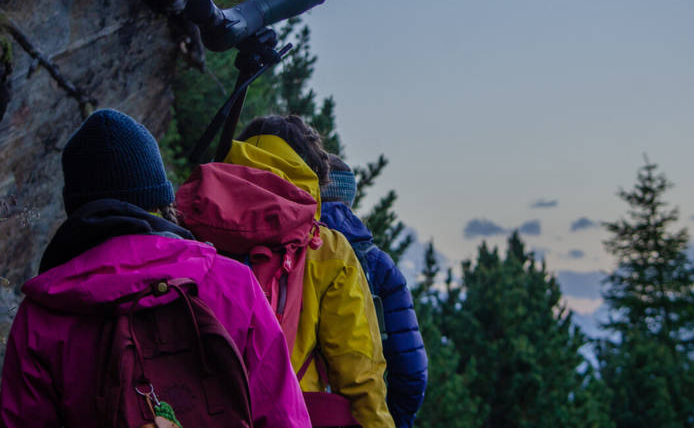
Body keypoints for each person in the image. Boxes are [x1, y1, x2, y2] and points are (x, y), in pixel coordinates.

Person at [0, 109, 310, 428]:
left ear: (76, 207)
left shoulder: (43, 313)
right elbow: (282, 415)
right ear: (161, 198)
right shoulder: (233, 283)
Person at [175, 114, 395, 427]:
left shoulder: (188, 220)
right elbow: (359, 371)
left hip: (192, 410)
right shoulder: (326, 248)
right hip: (288, 415)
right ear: (310, 171)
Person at [320, 154, 428, 428]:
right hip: (355, 414)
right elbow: (411, 369)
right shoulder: (376, 263)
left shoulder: (285, 245)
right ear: (350, 200)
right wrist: (395, 420)